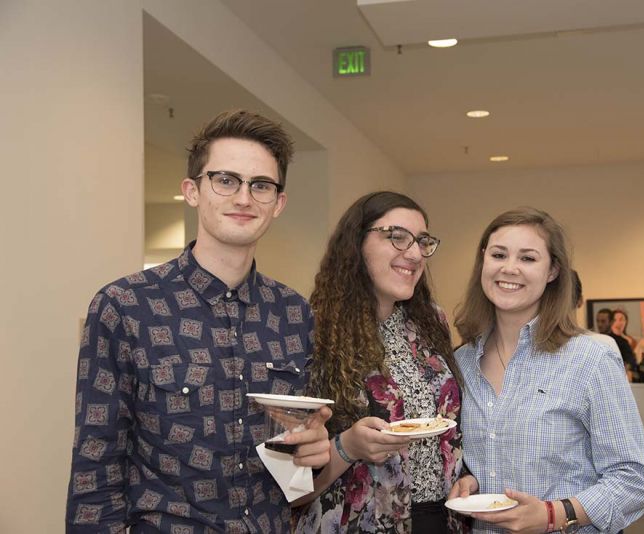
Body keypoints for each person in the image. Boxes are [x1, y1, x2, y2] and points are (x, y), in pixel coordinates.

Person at [66, 110, 332, 533]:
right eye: (225, 180)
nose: (243, 198)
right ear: (192, 190)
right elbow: (95, 474)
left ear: (278, 203)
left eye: (260, 185)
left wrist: (315, 454)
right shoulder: (125, 306)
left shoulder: (294, 313)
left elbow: (297, 471)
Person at [450, 207, 644, 533]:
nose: (509, 268)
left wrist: (552, 514)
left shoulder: (591, 358)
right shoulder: (462, 362)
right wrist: (470, 480)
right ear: (483, 261)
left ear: (552, 271)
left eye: (528, 258)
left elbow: (636, 479)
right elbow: (488, 454)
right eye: (499, 254)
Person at [293, 192, 466, 533]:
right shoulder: (311, 331)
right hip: (353, 522)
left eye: (422, 241)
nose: (415, 254)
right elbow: (291, 486)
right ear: (356, 243)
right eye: (397, 237)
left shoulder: (432, 323)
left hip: (441, 519)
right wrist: (347, 446)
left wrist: (468, 477)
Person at [572, 272, 636, 381]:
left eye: (603, 321)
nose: (600, 324)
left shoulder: (618, 342)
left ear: (611, 322)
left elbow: (629, 362)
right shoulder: (590, 339)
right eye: (598, 321)